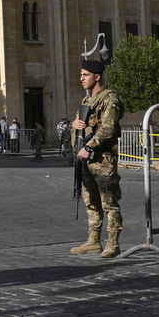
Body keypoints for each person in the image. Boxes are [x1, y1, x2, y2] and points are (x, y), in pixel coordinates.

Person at [70, 60, 125, 259]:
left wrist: (89, 146)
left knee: (108, 202)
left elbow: (108, 129)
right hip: (85, 159)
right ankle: (93, 241)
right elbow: (79, 127)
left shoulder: (110, 98)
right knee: (90, 201)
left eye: (85, 75)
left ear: (97, 76)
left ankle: (113, 243)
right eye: (81, 74)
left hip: (102, 159)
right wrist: (74, 125)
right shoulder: (86, 102)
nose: (81, 78)